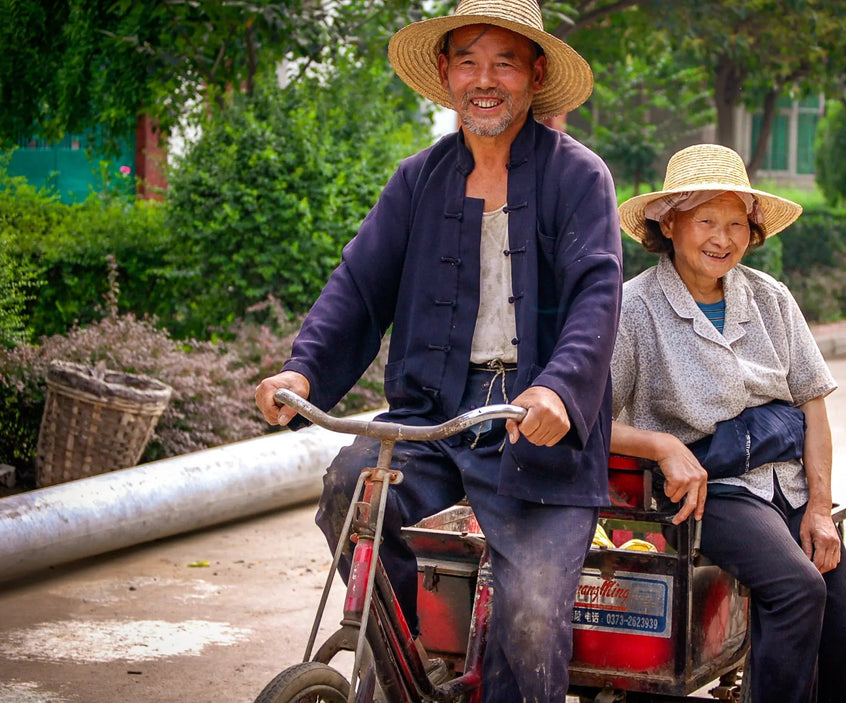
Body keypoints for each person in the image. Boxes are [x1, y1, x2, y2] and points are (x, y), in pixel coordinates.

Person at [254, 1, 622, 701]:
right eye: (468, 62)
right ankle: (412, 665)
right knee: (351, 489)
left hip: (535, 425)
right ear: (447, 74)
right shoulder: (417, 179)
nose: (485, 80)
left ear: (534, 74)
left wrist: (557, 390)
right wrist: (303, 365)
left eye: (504, 62)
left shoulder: (579, 178)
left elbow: (596, 299)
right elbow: (359, 287)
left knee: (534, 617)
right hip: (432, 415)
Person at [610, 144, 846, 703]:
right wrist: (659, 444)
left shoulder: (769, 298)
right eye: (706, 220)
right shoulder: (633, 308)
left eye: (736, 223)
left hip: (789, 484)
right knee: (799, 591)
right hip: (716, 489)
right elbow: (588, 422)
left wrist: (821, 509)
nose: (722, 238)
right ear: (669, 221)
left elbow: (813, 404)